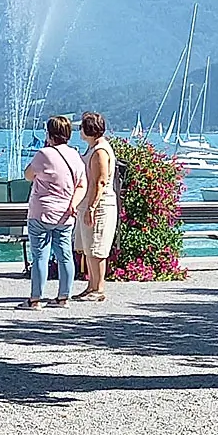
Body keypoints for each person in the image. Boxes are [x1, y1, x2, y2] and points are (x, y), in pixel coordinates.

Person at [20, 116, 84, 309]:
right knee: (65, 255)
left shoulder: (44, 154)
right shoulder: (75, 155)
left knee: (40, 256)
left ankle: (35, 299)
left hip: (42, 212)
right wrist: (73, 204)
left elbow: (28, 175)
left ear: (49, 134)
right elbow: (82, 185)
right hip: (66, 214)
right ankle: (63, 297)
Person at [77, 111, 118, 300]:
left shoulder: (100, 151)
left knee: (97, 246)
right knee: (89, 247)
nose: (79, 130)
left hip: (100, 205)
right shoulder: (93, 148)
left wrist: (92, 207)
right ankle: (91, 285)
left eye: (82, 127)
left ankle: (99, 288)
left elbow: (100, 181)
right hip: (89, 203)